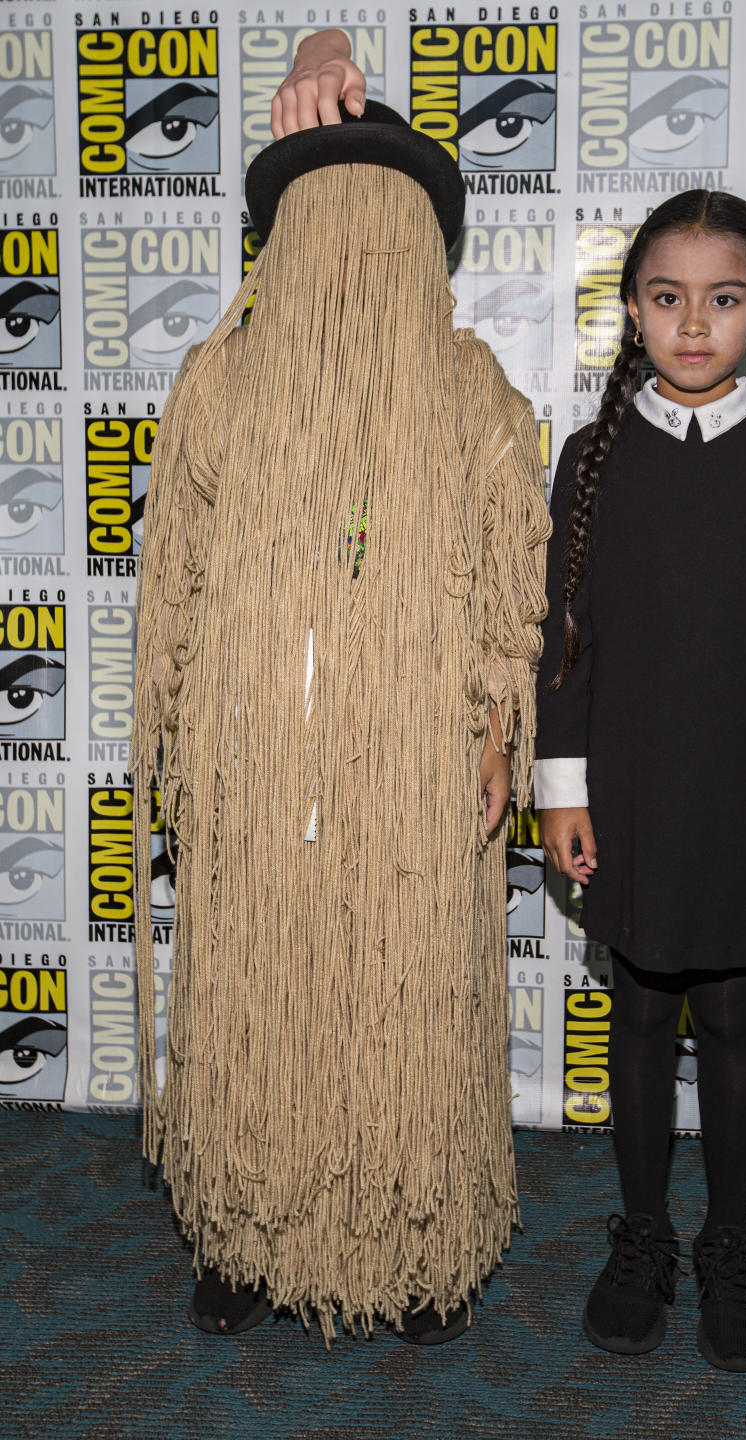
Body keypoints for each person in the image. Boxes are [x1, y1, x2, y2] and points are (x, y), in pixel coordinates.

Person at [132, 102, 549, 1343]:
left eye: (389, 218)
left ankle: (421, 1241)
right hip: (259, 759)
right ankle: (249, 1229)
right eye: (331, 217)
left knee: (413, 999)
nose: (359, 246)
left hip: (414, 770)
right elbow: (178, 578)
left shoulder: (471, 392)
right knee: (259, 988)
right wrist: (184, 737)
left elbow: (511, 587)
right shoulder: (224, 385)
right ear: (286, 239)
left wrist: (493, 728)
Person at [534, 192, 746, 1373]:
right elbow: (561, 644)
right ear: (631, 311)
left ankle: (728, 1240)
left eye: (723, 300)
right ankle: (644, 1240)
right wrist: (560, 791)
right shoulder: (594, 456)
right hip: (627, 793)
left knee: (729, 1018)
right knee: (638, 1012)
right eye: (666, 299)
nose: (692, 324)